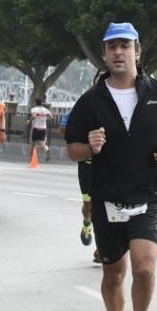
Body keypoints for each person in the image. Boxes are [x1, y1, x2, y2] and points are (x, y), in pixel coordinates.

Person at [64, 22, 157, 311]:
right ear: (104, 54)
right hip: (107, 198)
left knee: (145, 268)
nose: (118, 52)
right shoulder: (90, 102)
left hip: (149, 195)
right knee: (114, 274)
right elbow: (72, 149)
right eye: (112, 47)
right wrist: (90, 146)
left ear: (136, 51)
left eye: (124, 46)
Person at [60, 111, 101, 264]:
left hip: (109, 164)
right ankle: (86, 222)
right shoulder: (85, 105)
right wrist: (81, 143)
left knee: (105, 207)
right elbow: (63, 129)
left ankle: (101, 248)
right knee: (90, 206)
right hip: (87, 165)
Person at [27, 98, 53, 162]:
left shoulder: (34, 109)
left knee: (33, 143)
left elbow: (33, 116)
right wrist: (45, 118)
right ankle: (47, 150)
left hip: (36, 128)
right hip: (43, 128)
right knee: (42, 144)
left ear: (36, 103)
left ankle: (31, 159)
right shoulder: (46, 110)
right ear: (42, 103)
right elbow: (51, 117)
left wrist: (29, 121)